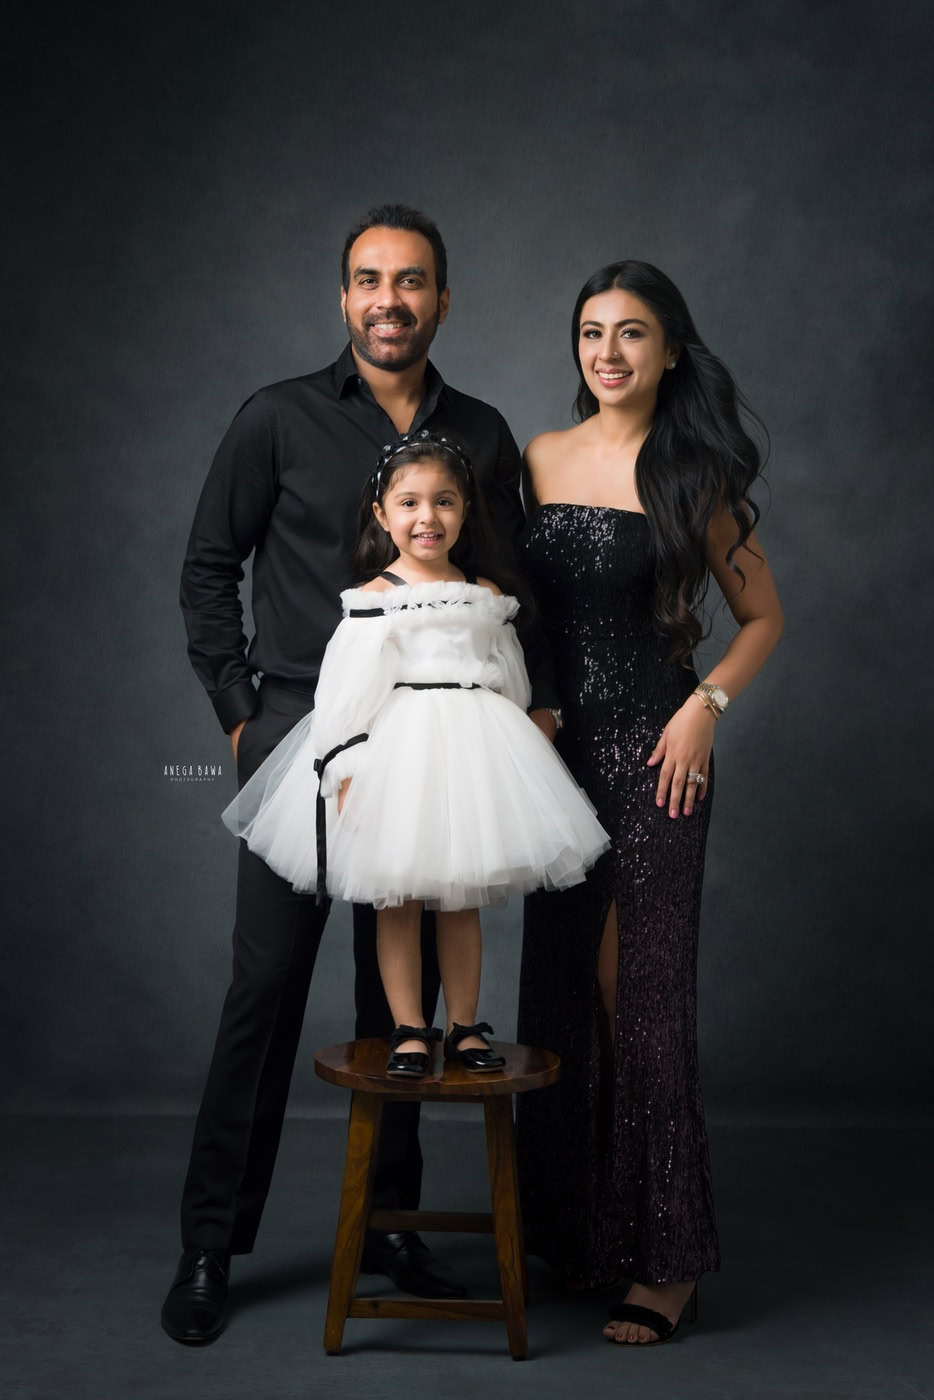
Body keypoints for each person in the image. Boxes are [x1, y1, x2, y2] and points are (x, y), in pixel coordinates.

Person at [164, 205, 561, 1345]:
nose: (391, 300)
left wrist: (533, 706)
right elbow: (207, 568)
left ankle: (387, 1221)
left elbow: (509, 582)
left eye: (412, 280)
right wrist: (241, 717)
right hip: (308, 729)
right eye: (370, 280)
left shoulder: (480, 432)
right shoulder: (275, 417)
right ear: (344, 297)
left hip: (436, 736)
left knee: (403, 1000)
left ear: (443, 300)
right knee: (263, 988)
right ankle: (209, 1242)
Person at [516, 260, 784, 1348]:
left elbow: (764, 617)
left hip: (659, 752)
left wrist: (706, 707)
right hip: (553, 755)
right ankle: (578, 1232)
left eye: (631, 332)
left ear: (670, 349)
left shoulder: (694, 475)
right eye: (592, 332)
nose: (608, 352)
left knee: (641, 989)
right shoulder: (538, 457)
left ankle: (665, 1258)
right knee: (561, 982)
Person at [222, 433, 608, 1077]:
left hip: (472, 750)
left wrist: (516, 746)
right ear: (381, 513)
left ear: (466, 509)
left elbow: (508, 673)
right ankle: (408, 1028)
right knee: (395, 899)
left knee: (461, 899)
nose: (427, 517)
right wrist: (343, 765)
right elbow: (345, 692)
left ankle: (464, 1026)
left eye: (444, 501)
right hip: (398, 759)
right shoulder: (373, 599)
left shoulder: (485, 593)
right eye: (409, 503)